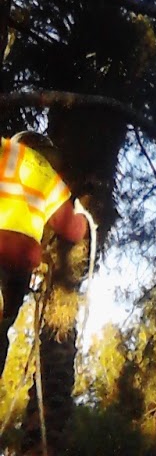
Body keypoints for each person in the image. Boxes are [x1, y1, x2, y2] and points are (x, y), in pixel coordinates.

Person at [0, 132, 89, 373]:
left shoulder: (4, 150)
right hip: (18, 267)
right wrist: (82, 214)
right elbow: (72, 229)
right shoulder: (48, 176)